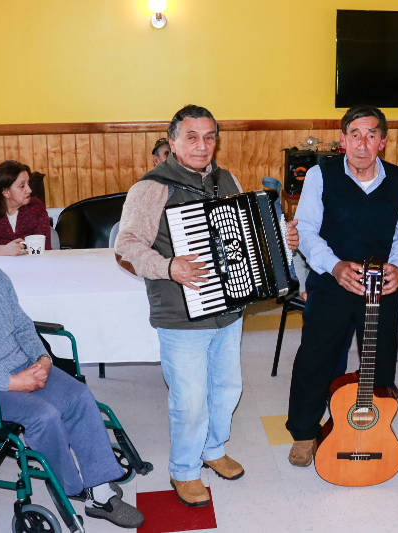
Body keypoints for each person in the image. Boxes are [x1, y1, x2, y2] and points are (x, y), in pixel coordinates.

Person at [0, 199, 143, 528]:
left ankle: (101, 490)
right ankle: (74, 487)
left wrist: (43, 358)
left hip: (23, 363)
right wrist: (12, 382)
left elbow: (22, 325)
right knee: (44, 416)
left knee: (78, 396)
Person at [115, 104, 299, 507]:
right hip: (180, 315)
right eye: (192, 137)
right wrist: (168, 266)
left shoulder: (226, 178)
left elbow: (245, 236)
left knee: (227, 386)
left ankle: (214, 449)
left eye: (209, 137)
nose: (202, 145)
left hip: (229, 308)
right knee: (190, 398)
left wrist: (282, 241)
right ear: (173, 142)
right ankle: (184, 470)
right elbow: (126, 246)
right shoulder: (151, 188)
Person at [286, 104, 398, 467]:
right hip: (331, 282)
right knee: (317, 358)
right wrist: (334, 267)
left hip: (381, 288)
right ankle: (303, 432)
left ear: (383, 142)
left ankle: (367, 428)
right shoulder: (320, 175)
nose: (363, 143)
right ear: (343, 141)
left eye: (371, 135)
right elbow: (308, 230)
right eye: (355, 135)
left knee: (380, 364)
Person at [0, 160, 52, 255]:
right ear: (6, 192)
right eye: (22, 186)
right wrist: (4, 250)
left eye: (28, 183)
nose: (29, 190)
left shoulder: (36, 208)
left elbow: (46, 248)